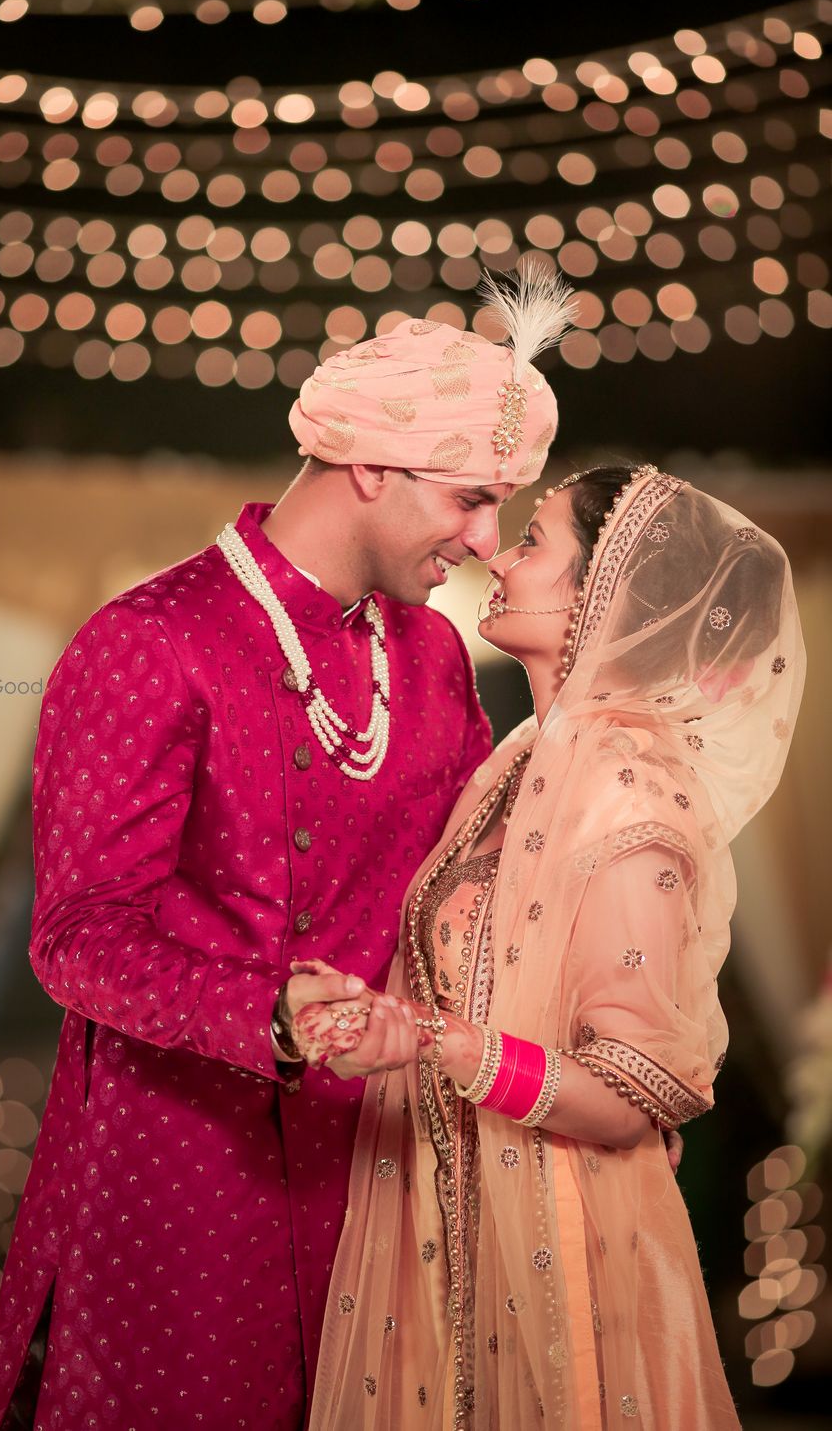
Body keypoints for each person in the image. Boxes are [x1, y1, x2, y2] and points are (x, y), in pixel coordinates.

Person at [0, 271, 579, 1431]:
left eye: (502, 507)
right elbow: (77, 940)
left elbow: (470, 898)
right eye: (466, 499)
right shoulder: (150, 643)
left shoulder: (435, 661)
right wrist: (278, 1015)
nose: (484, 539)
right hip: (185, 1176)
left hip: (383, 1165)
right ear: (369, 467)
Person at [307, 462, 805, 1429]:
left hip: (566, 1256)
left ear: (604, 590)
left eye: (534, 543)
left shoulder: (626, 784)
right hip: (447, 1224)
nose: (496, 554)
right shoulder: (521, 762)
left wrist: (435, 1046)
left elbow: (639, 1086)